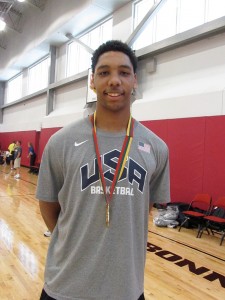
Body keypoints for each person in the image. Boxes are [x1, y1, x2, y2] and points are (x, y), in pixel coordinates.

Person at [36, 40, 170, 300]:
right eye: (104, 72)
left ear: (135, 81)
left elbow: (145, 208)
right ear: (92, 81)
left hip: (126, 291)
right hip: (64, 288)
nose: (114, 81)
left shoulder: (156, 147)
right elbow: (49, 207)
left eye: (123, 72)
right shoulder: (61, 142)